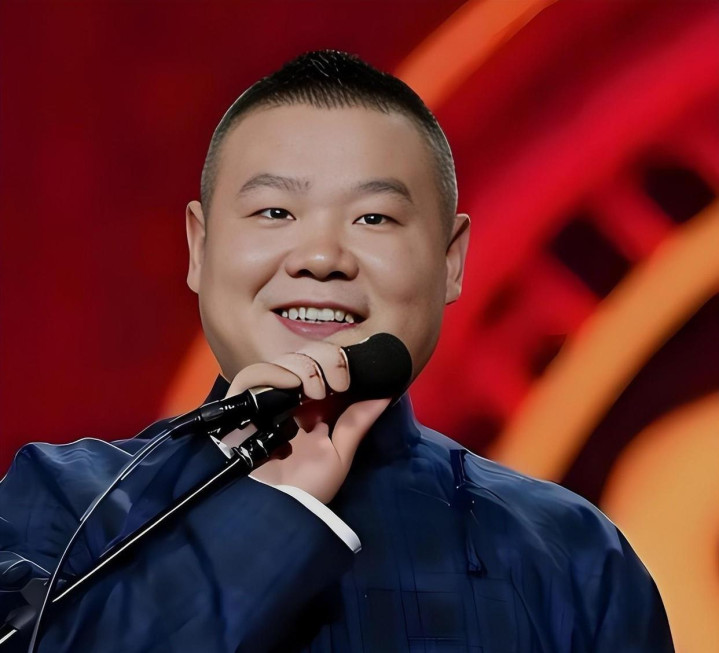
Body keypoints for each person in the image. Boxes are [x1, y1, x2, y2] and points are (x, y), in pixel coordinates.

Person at [0, 50, 673, 652]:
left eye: (373, 217)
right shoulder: (61, 506)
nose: (321, 257)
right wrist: (267, 516)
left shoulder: (570, 555)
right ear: (200, 247)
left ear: (451, 261)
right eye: (274, 213)